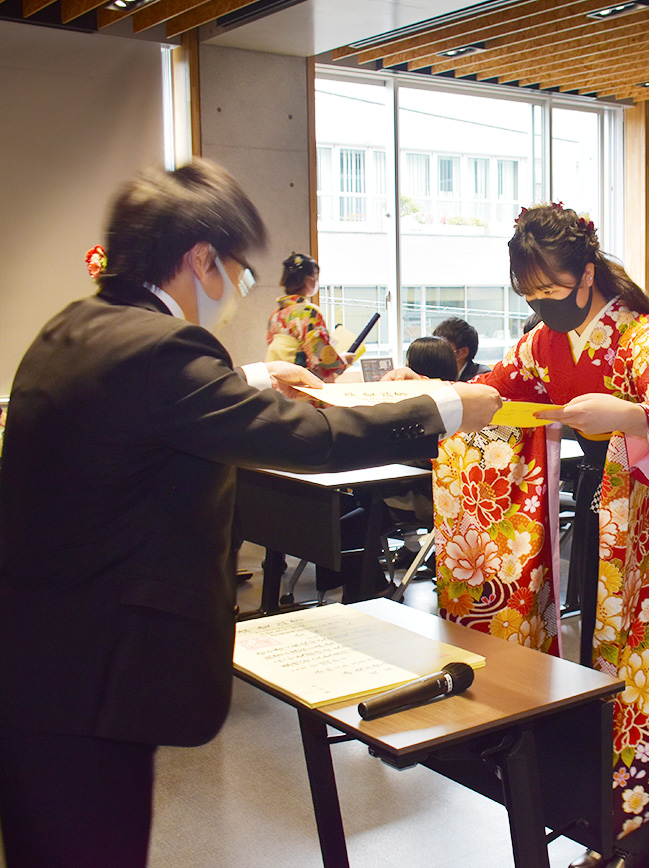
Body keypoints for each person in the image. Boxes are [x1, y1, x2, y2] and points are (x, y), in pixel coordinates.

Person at [0, 159, 502, 868]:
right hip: (92, 680)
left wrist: (254, 377)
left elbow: (142, 405)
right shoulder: (162, 350)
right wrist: (444, 406)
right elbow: (312, 440)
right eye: (235, 269)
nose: (237, 289)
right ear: (199, 258)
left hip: (40, 659)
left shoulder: (80, 325)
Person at [432, 204, 649, 868]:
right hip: (611, 496)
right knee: (603, 654)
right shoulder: (545, 341)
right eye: (531, 296)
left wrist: (627, 412)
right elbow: (493, 391)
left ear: (587, 274)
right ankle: (611, 821)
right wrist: (433, 398)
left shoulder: (637, 331)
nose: (544, 307)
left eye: (551, 291)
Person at [266, 252, 357, 382]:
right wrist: (343, 360)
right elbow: (319, 354)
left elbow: (270, 341)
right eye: (315, 277)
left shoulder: (277, 312)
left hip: (277, 375)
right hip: (300, 379)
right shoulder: (308, 312)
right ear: (307, 279)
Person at [433, 315, 487, 380]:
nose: (436, 350)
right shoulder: (436, 371)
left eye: (443, 347)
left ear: (463, 352)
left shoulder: (483, 377)